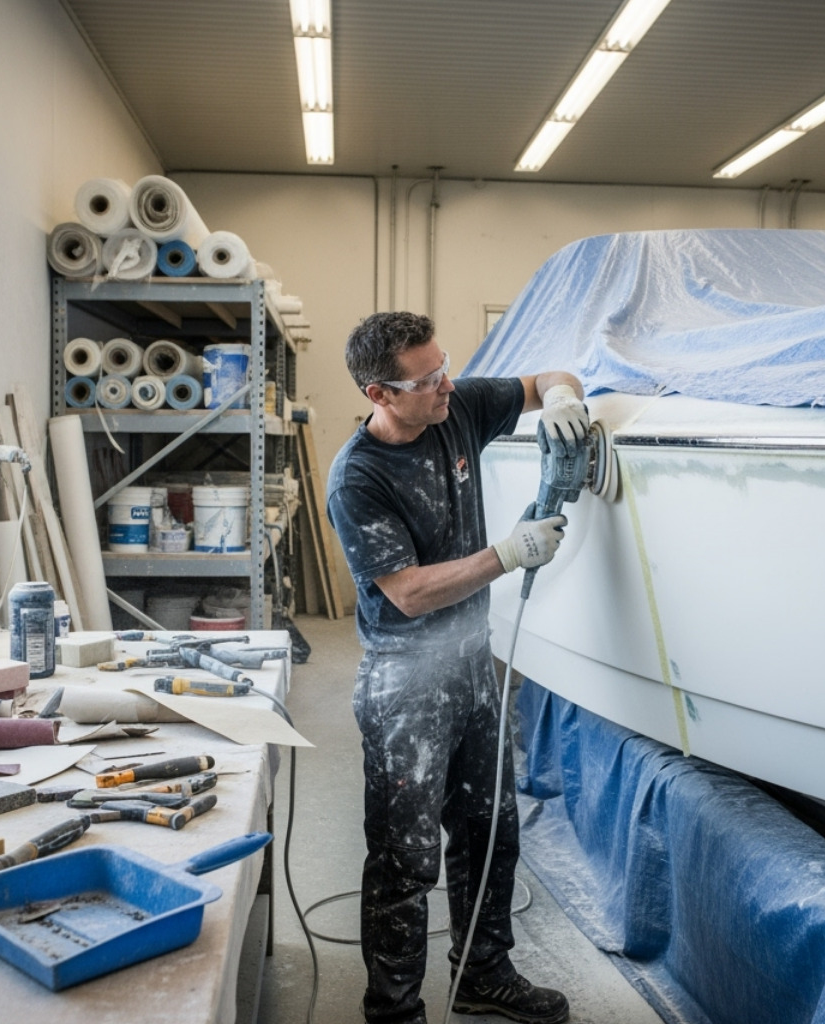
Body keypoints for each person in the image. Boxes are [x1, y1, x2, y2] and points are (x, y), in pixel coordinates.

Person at [327, 311, 588, 1024]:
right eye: (428, 378)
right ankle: (394, 1010)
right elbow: (407, 593)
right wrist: (508, 554)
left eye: (446, 367)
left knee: (489, 829)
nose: (447, 384)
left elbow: (549, 378)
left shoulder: (455, 406)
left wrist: (564, 400)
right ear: (380, 394)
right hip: (405, 679)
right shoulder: (358, 478)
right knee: (405, 858)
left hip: (473, 661)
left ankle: (482, 974)